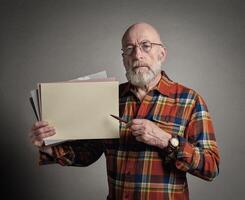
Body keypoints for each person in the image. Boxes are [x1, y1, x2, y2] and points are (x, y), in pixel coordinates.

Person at [30, 22, 220, 200]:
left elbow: (210, 167)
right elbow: (88, 153)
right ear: (124, 59)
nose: (137, 55)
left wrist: (165, 140)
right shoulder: (108, 98)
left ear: (162, 53)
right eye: (129, 49)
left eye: (146, 45)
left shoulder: (190, 100)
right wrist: (48, 146)